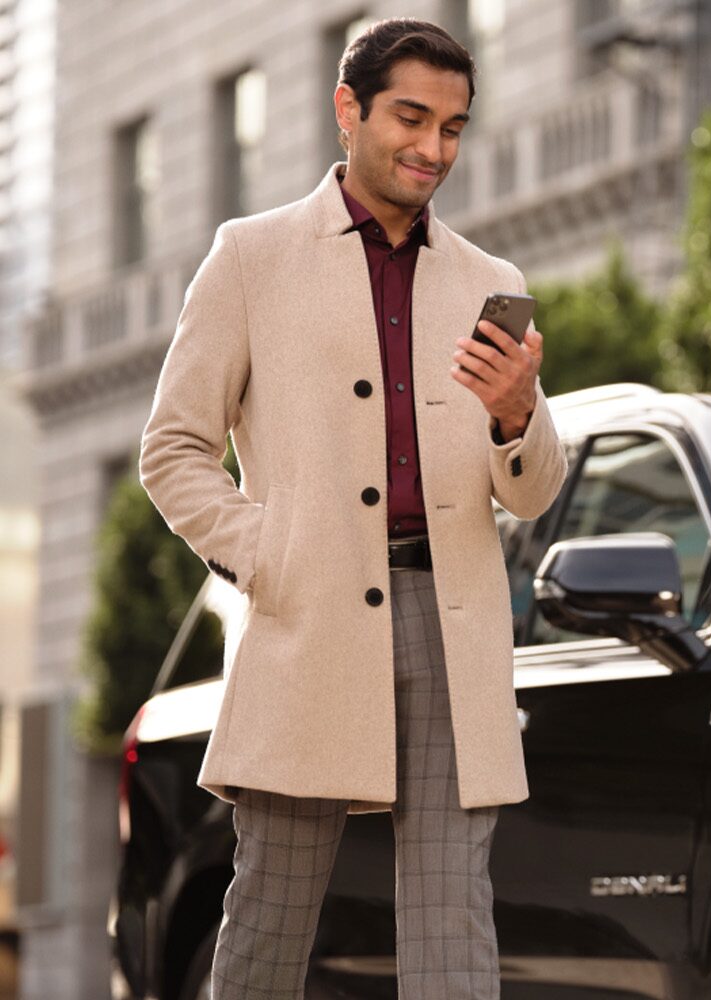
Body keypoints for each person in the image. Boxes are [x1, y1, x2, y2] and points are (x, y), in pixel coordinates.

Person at [135, 18, 566, 998]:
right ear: (348, 111)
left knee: (454, 915)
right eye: (411, 118)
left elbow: (533, 486)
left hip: (452, 622)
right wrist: (269, 554)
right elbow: (173, 449)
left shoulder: (490, 282)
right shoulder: (251, 258)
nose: (432, 148)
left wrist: (514, 414)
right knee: (271, 917)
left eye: (453, 128)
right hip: (310, 617)